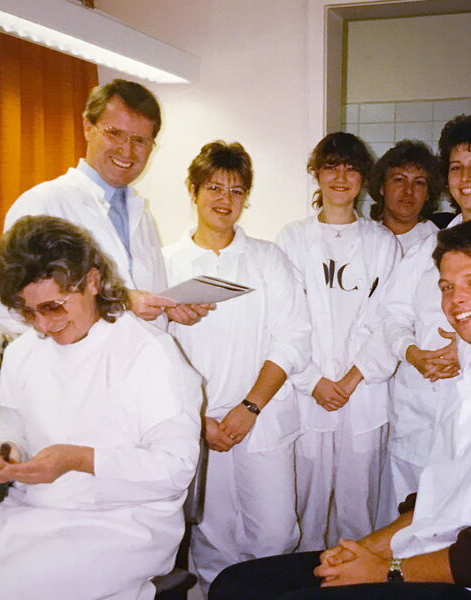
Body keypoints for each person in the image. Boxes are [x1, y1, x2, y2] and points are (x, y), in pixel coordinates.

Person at [208, 219, 471, 600]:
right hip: (430, 559)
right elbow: (433, 503)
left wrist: (386, 570)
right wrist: (362, 550)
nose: (457, 299)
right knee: (238, 584)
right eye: (447, 287)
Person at [0, 216, 201, 600]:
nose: (43, 326)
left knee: (7, 590)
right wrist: (3, 451)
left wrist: (79, 459)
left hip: (120, 523)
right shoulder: (24, 352)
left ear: (91, 281)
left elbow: (174, 468)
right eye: (27, 312)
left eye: (53, 307)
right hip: (31, 512)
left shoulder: (148, 353)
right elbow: (11, 424)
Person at [163, 141, 311, 593]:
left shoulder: (267, 259)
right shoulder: (165, 263)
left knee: (276, 535)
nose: (225, 200)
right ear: (193, 190)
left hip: (260, 418)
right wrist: (197, 420)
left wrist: (250, 407)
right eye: (214, 187)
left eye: (236, 190)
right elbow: (151, 352)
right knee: (213, 540)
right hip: (199, 424)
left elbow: (294, 338)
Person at [376, 115, 471, 524]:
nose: (466, 179)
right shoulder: (428, 246)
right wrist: (412, 353)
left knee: (461, 532)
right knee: (401, 534)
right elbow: (393, 313)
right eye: (456, 168)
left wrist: (467, 352)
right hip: (414, 417)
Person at [0, 78, 211, 330]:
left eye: (139, 140)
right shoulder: (41, 204)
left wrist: (167, 310)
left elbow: (144, 307)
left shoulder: (142, 218)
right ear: (88, 127)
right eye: (114, 133)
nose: (126, 151)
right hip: (75, 356)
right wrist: (121, 302)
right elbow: (12, 312)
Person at [275, 132, 401, 551]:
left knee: (358, 510)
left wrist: (350, 380)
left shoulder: (383, 243)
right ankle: (304, 580)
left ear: (363, 178)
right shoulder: (291, 239)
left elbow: (388, 322)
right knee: (306, 509)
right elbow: (284, 319)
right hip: (308, 390)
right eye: (331, 167)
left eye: (351, 168)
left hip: (362, 392)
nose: (341, 177)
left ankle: (356, 581)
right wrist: (312, 380)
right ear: (316, 174)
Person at [367, 140, 443, 254]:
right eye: (399, 180)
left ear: (428, 194)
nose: (408, 190)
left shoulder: (439, 246)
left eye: (419, 182)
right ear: (382, 187)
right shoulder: (365, 238)